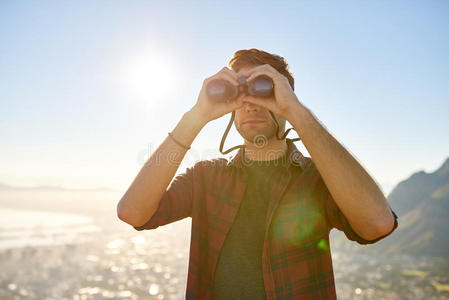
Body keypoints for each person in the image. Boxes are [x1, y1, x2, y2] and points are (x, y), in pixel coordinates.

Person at [117, 48, 398, 300]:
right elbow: (132, 212)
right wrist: (196, 116)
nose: (249, 103)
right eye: (239, 92)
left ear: (286, 96)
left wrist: (297, 112)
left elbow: (377, 223)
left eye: (263, 88)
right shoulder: (205, 177)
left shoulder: (318, 179)